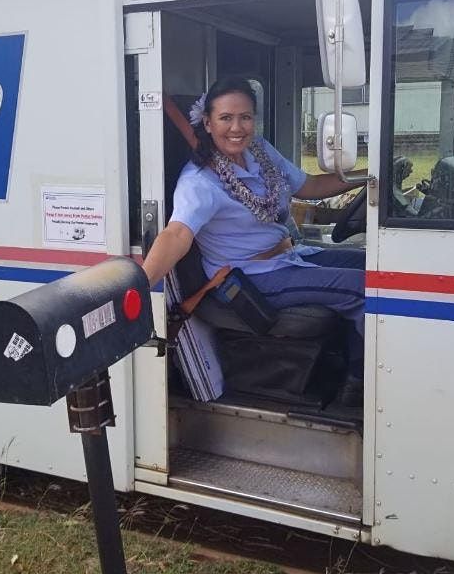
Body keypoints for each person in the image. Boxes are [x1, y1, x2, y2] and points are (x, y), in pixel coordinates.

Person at [142, 76, 367, 406]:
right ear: (207, 122)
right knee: (365, 287)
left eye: (245, 117)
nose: (237, 127)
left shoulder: (260, 153)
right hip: (253, 277)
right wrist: (137, 285)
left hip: (290, 255)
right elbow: (176, 234)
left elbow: (311, 187)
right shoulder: (199, 181)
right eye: (225, 118)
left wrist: (371, 177)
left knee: (375, 267)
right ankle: (359, 385)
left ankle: (349, 366)